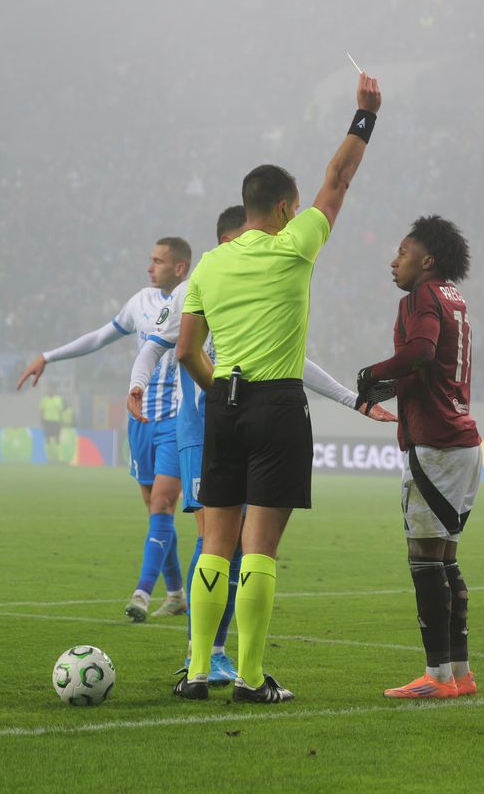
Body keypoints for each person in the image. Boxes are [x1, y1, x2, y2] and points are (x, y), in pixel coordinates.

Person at [163, 72, 381, 704]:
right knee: (260, 549)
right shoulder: (294, 248)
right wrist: (363, 116)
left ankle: (199, 670)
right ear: (285, 208)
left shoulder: (209, 264)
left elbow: (186, 351)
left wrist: (216, 391)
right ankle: (252, 680)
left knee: (214, 542)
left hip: (224, 406)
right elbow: (337, 183)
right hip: (279, 406)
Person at [131, 206, 393, 686]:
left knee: (225, 544)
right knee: (221, 540)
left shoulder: (246, 283)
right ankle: (205, 656)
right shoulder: (207, 278)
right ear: (234, 237)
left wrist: (350, 400)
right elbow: (159, 344)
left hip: (234, 421)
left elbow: (297, 360)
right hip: (202, 428)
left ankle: (208, 657)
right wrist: (141, 384)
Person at [17, 237, 193, 622]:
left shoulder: (194, 300)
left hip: (176, 419)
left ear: (179, 268)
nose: (150, 267)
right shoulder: (140, 302)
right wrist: (49, 356)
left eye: (158, 261)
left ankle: (142, 594)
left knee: (163, 503)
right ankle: (177, 594)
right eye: (150, 260)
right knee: (155, 509)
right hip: (139, 420)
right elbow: (99, 337)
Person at [355, 216, 481, 699]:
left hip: (436, 445)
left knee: (424, 559)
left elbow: (422, 350)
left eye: (402, 252)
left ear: (426, 260)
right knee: (445, 558)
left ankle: (437, 677)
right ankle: (460, 673)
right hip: (461, 443)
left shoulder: (421, 298)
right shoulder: (455, 298)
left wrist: (375, 370)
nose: (394, 261)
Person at [40, 384, 64, 462]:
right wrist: (42, 421)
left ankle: (58, 457)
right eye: (48, 389)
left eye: (51, 389)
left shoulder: (58, 399)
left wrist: (61, 421)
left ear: (54, 390)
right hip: (47, 421)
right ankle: (49, 458)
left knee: (57, 439)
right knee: (48, 439)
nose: (49, 391)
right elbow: (42, 411)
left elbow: (60, 412)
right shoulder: (44, 399)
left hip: (56, 421)